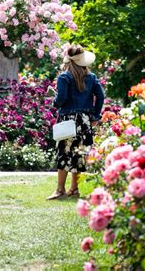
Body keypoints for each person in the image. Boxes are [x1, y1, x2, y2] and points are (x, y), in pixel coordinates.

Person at [46, 44, 105, 200]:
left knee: (63, 153)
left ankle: (60, 189)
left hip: (68, 119)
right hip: (85, 121)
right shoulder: (91, 78)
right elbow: (100, 97)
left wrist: (54, 102)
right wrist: (95, 116)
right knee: (78, 154)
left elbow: (62, 99)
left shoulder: (64, 77)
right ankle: (74, 189)